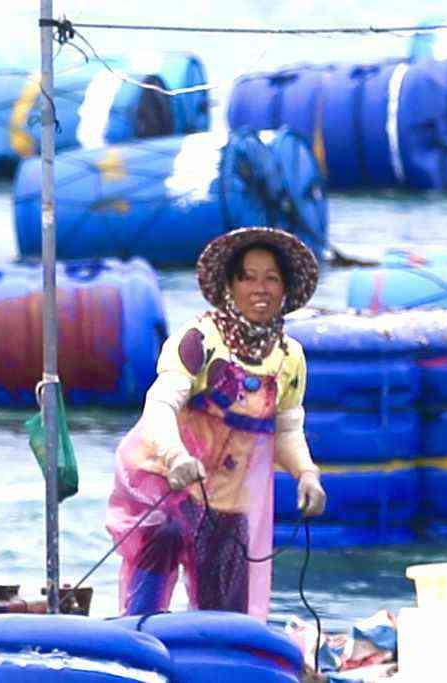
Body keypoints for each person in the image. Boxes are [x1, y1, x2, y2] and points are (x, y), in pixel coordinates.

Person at [106, 227, 326, 621]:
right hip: (164, 479)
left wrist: (306, 474)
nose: (260, 289)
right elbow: (160, 405)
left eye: (272, 278)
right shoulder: (199, 340)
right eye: (248, 277)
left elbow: (287, 429)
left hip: (226, 495)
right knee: (165, 534)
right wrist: (175, 456)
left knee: (226, 603)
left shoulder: (290, 357)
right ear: (230, 286)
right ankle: (136, 631)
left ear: (285, 289)